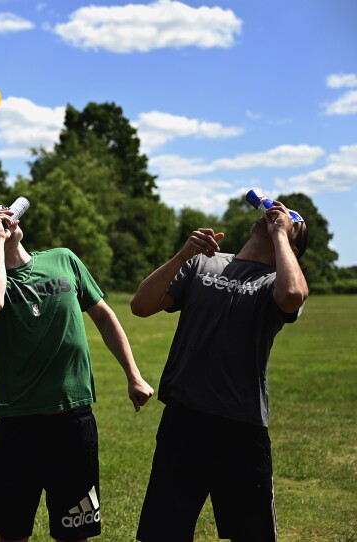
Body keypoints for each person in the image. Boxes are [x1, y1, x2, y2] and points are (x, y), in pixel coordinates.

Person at [0, 202, 154, 542]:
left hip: (73, 421)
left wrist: (133, 374)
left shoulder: (63, 259)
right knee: (12, 530)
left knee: (74, 532)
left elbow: (105, 317)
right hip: (18, 424)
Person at [130, 198, 309, 542]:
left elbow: (291, 296)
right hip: (183, 422)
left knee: (251, 535)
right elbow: (141, 305)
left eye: (290, 221)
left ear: (293, 245)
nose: (274, 218)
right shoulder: (202, 263)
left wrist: (281, 236)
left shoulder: (278, 280)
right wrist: (182, 255)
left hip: (241, 428)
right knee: (162, 533)